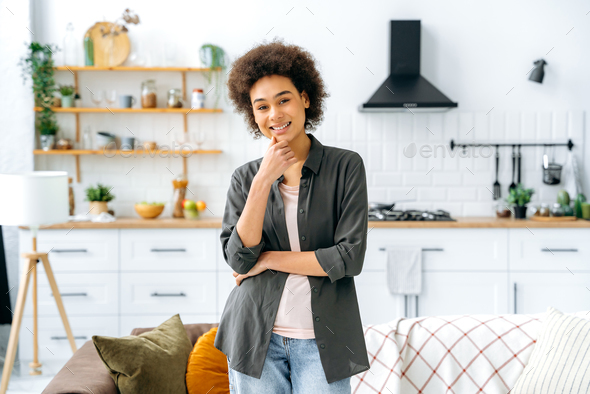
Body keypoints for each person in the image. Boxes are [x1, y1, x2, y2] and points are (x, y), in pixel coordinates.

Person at [214, 38, 370, 394]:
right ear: (252, 114)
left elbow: (348, 258)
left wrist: (267, 259)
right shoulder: (245, 177)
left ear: (305, 98)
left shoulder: (346, 167)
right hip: (254, 338)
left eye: (283, 100)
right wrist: (263, 181)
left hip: (323, 342)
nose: (275, 115)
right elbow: (238, 258)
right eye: (262, 106)